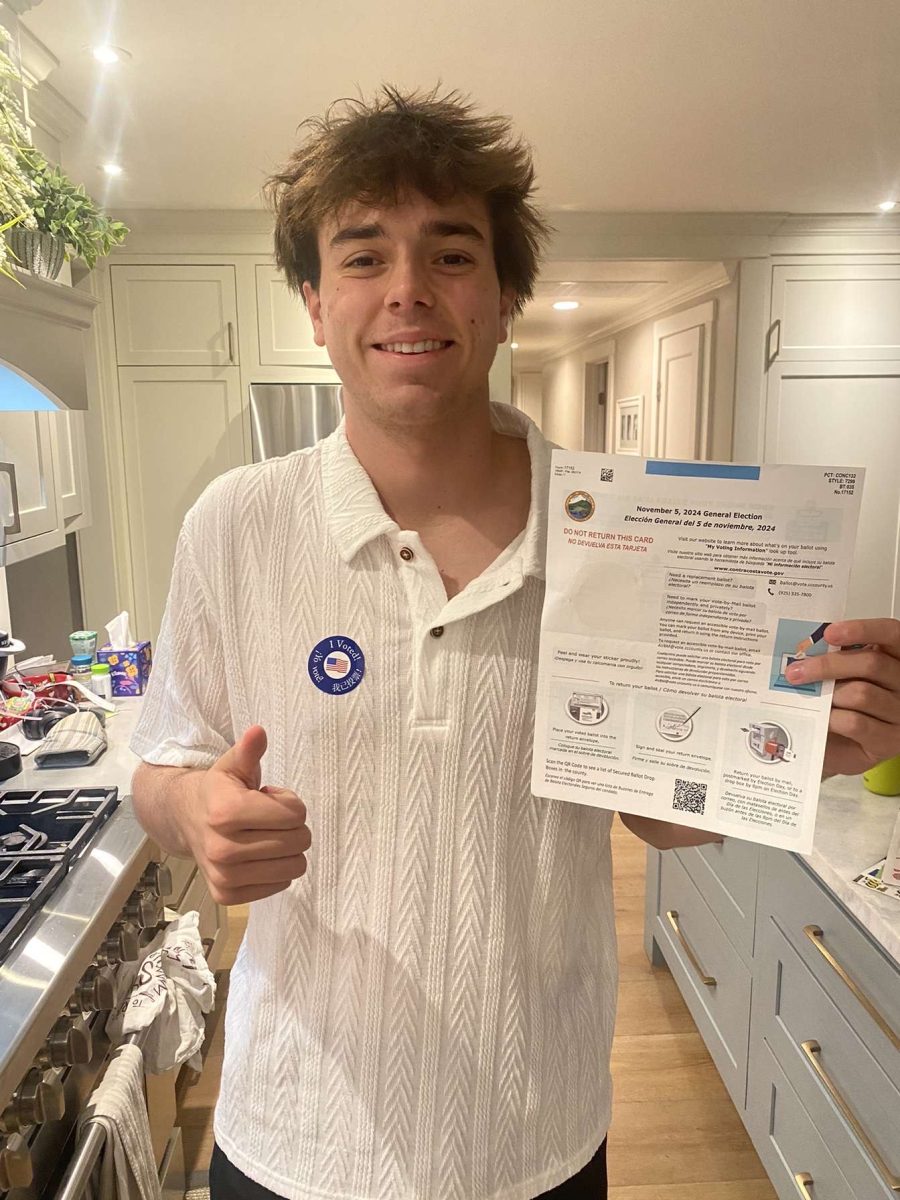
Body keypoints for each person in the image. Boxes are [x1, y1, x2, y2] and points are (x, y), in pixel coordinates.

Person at [130, 86, 900, 1200]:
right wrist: (191, 809)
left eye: (450, 254)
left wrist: (787, 750)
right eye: (361, 256)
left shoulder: (618, 539)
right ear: (311, 299)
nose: (406, 291)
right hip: (294, 1130)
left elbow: (649, 810)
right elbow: (157, 762)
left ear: (502, 298)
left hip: (533, 1139)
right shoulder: (234, 526)